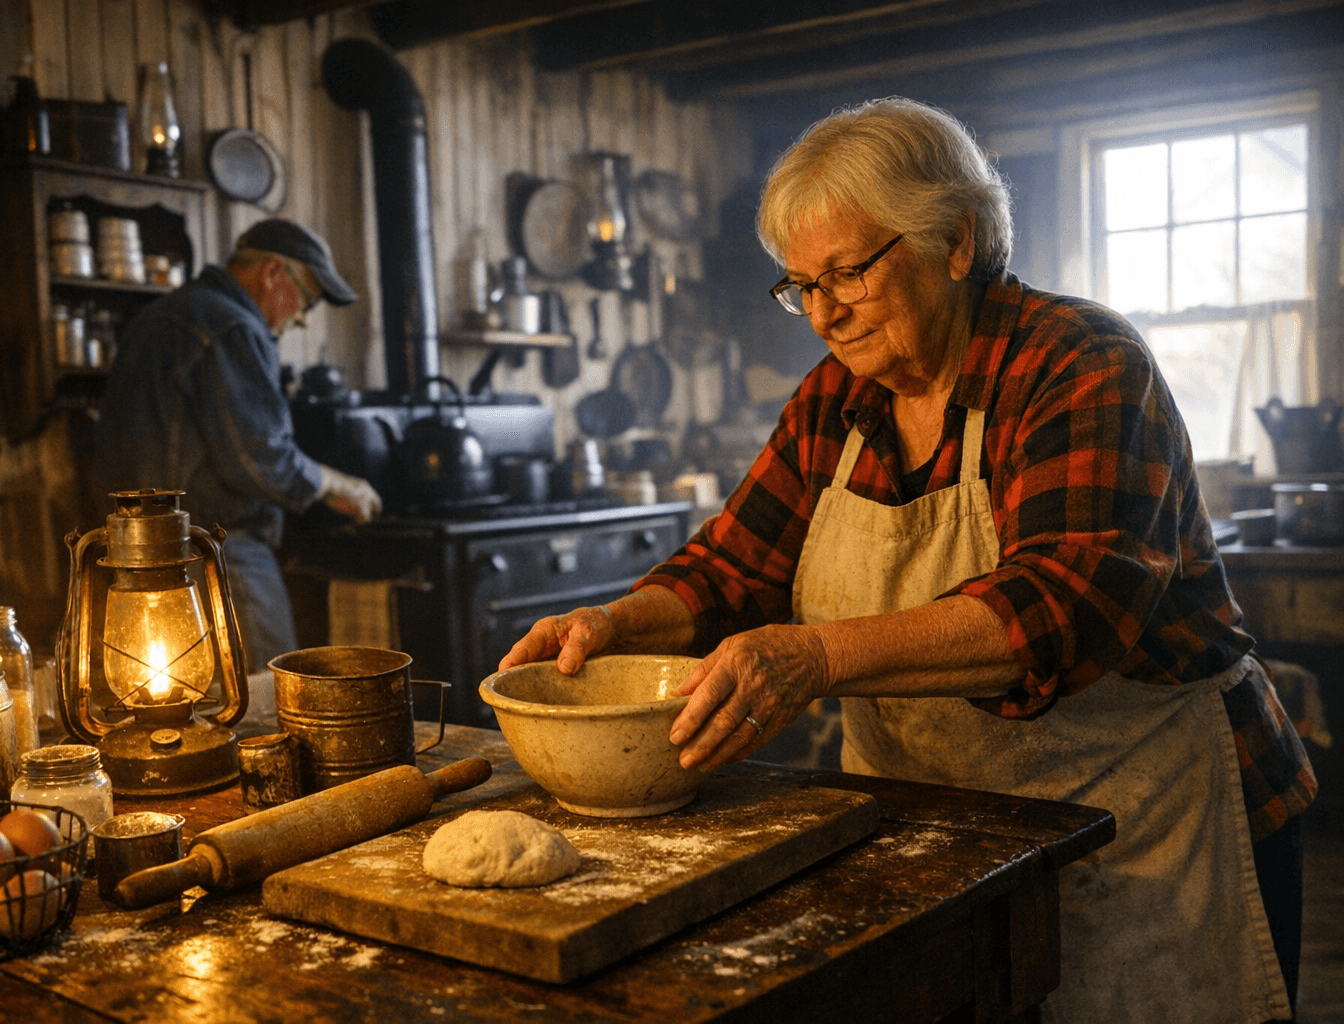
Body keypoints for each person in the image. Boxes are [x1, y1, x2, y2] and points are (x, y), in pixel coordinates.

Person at [501, 98, 1315, 1022]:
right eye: (800, 285)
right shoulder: (834, 401)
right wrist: (612, 623)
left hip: (1153, 827)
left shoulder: (1081, 363)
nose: (822, 314)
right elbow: (732, 568)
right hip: (942, 832)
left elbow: (1059, 608)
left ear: (958, 241)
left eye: (846, 272)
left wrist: (812, 659)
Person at [92, 218, 382, 675]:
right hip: (219, 553)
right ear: (272, 273)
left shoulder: (166, 313)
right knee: (263, 700)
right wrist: (337, 484)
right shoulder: (232, 327)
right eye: (306, 300)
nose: (302, 318)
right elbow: (261, 459)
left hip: (138, 556)